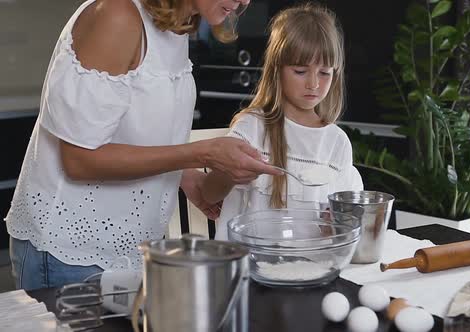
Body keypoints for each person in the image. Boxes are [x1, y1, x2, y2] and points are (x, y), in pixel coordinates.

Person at [4, 0, 282, 290]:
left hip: (130, 253)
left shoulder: (178, 24)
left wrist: (181, 176)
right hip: (69, 255)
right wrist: (200, 153)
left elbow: (127, 129)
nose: (246, 1)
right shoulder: (118, 15)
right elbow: (79, 160)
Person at [200, 3, 364, 240]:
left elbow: (338, 232)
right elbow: (209, 193)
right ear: (277, 69)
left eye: (324, 72)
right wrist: (230, 172)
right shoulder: (252, 128)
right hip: (247, 267)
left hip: (309, 267)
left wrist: (336, 226)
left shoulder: (336, 142)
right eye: (300, 71)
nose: (314, 84)